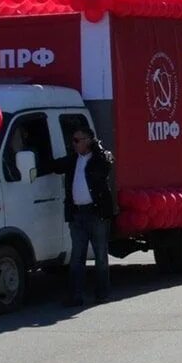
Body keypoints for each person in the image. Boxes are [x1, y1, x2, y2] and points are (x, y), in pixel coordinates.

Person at [55, 126, 115, 307]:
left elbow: (107, 164)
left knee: (101, 255)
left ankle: (102, 293)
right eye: (73, 140)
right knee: (77, 257)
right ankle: (76, 295)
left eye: (77, 140)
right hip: (78, 214)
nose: (74, 144)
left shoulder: (99, 159)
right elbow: (56, 166)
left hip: (96, 213)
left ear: (88, 140)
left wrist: (96, 148)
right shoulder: (73, 160)